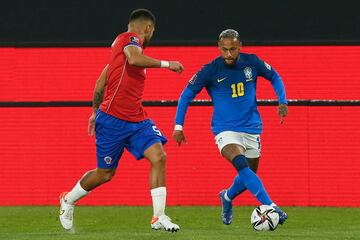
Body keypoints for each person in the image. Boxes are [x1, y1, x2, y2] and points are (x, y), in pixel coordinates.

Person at [59, 8, 184, 232]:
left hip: (137, 119)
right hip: (113, 121)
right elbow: (135, 58)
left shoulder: (117, 51)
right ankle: (68, 200)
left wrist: (94, 111)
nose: (151, 35)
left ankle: (159, 217)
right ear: (148, 28)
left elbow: (100, 83)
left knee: (159, 156)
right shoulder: (130, 40)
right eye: (152, 31)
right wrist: (168, 64)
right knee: (105, 174)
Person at [172, 29, 288, 226]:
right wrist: (178, 126)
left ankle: (226, 196)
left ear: (240, 46)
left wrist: (282, 101)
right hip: (225, 130)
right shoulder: (210, 70)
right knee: (241, 163)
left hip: (251, 128)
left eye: (232, 49)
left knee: (248, 175)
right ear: (218, 48)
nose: (228, 54)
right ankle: (271, 205)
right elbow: (186, 95)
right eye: (224, 49)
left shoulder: (252, 62)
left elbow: (274, 76)